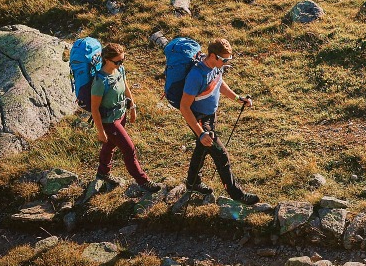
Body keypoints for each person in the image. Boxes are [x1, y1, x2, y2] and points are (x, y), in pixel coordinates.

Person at [178, 37, 258, 204]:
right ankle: (237, 194)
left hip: (210, 116)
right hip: (199, 118)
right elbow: (184, 107)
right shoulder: (196, 75)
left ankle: (193, 182)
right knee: (221, 154)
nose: (227, 63)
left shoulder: (215, 67)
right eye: (224, 60)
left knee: (202, 149)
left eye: (229, 59)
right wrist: (200, 133)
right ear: (213, 56)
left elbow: (219, 83)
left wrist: (238, 98)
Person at [90, 42, 161, 192]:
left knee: (110, 145)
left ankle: (102, 173)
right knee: (129, 149)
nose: (121, 63)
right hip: (109, 122)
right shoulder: (100, 81)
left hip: (121, 115)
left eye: (123, 59)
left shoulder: (119, 70)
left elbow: (126, 87)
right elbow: (94, 108)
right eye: (118, 61)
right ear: (107, 60)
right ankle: (143, 181)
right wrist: (101, 131)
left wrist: (133, 107)